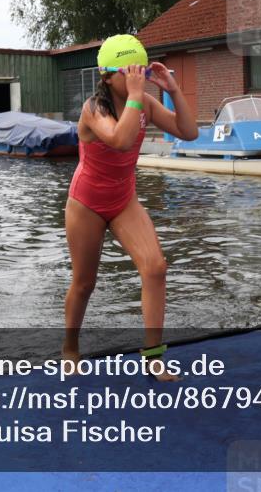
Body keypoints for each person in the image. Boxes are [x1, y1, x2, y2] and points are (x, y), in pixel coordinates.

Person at [63, 35, 198, 380]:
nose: (138, 77)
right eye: (130, 72)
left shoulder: (146, 104)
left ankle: (153, 356)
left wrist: (172, 90)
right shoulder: (94, 109)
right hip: (86, 203)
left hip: (124, 200)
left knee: (156, 268)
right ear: (108, 76)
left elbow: (189, 132)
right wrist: (138, 95)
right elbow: (120, 141)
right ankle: (70, 348)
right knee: (84, 283)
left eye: (142, 71)